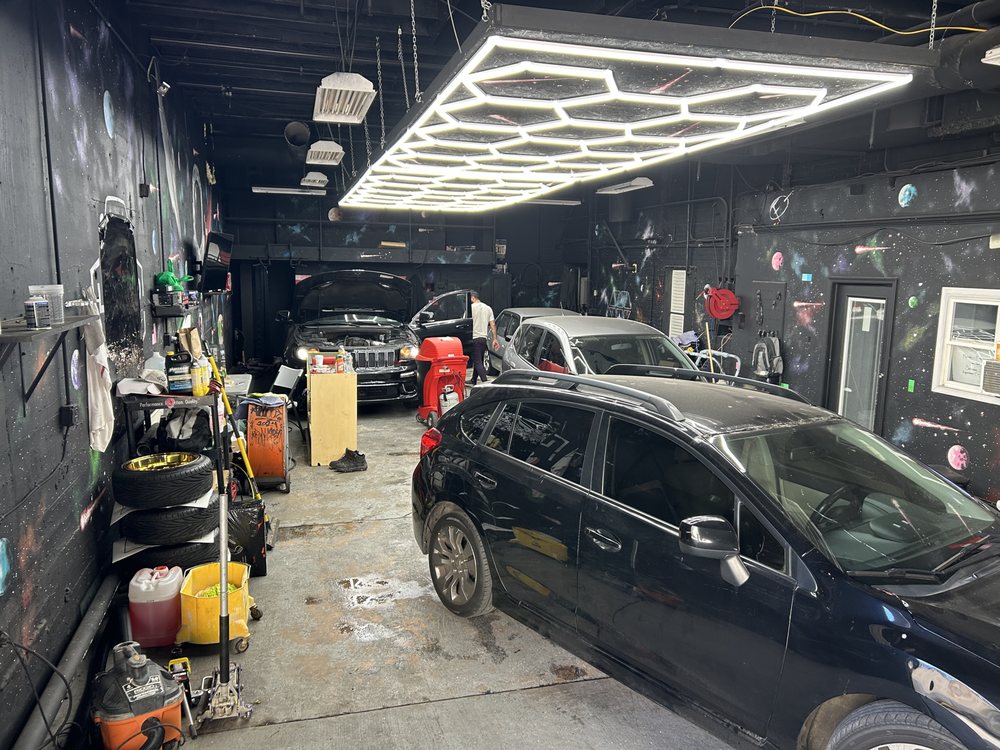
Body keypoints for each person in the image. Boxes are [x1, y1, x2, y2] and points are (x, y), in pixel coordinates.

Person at [469, 292, 498, 385]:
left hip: (474, 338)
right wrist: (494, 339)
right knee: (479, 360)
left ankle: (485, 383)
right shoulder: (488, 308)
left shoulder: (471, 308)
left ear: (473, 298)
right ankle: (473, 379)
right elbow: (493, 324)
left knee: (477, 362)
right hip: (483, 339)